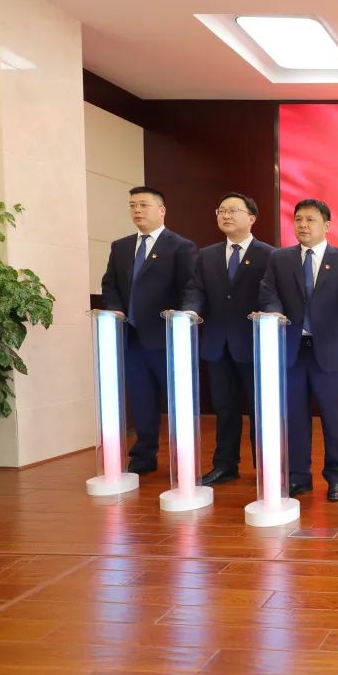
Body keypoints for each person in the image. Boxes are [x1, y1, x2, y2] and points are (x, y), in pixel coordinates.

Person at [259, 199, 338, 502]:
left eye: (310, 220)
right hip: (291, 350)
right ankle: (299, 477)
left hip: (331, 351)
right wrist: (274, 311)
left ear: (326, 226)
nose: (303, 225)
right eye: (298, 219)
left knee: (334, 418)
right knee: (294, 416)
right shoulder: (280, 259)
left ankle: (336, 477)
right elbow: (268, 292)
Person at [100, 186, 196, 475]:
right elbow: (110, 283)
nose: (137, 210)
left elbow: (189, 288)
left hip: (166, 337)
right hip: (130, 336)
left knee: (177, 401)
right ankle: (143, 456)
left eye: (143, 205)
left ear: (161, 210)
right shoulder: (121, 246)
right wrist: (115, 308)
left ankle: (184, 459)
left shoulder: (181, 246)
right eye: (132, 205)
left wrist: (182, 320)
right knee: (141, 398)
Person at [182, 193, 275, 486]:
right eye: (221, 210)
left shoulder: (270, 255)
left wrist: (269, 314)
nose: (226, 215)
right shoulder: (206, 255)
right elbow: (195, 290)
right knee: (224, 408)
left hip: (254, 343)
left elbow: (273, 294)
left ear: (252, 218)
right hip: (217, 344)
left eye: (233, 210)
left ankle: (266, 468)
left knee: (261, 410)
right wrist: (189, 312)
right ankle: (225, 465)